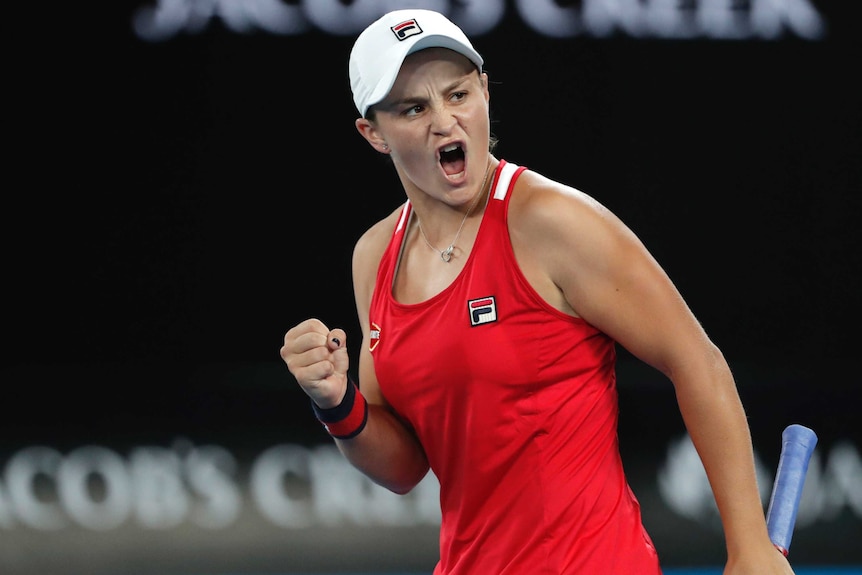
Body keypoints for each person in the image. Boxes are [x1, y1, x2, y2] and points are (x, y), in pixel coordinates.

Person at [281, 8, 795, 575]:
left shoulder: (552, 221)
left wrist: (750, 548)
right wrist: (335, 402)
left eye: (458, 95)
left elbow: (696, 361)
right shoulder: (374, 257)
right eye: (414, 108)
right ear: (372, 132)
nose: (445, 121)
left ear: (484, 92)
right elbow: (405, 468)